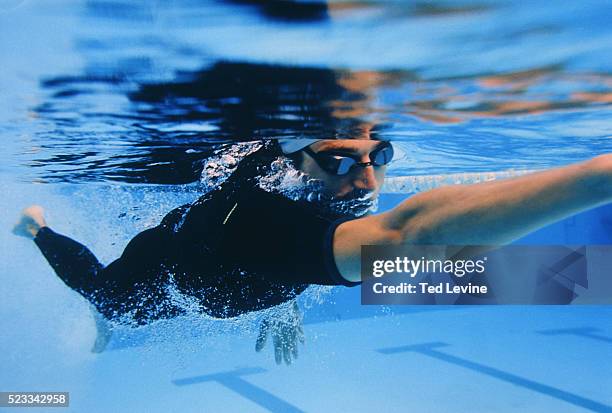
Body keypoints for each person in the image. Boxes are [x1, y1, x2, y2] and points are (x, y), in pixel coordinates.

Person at [13, 138, 612, 358]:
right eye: (339, 160)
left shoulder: (305, 212)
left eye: (380, 156)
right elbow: (410, 242)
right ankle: (35, 227)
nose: (367, 179)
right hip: (156, 281)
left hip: (232, 271)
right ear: (292, 161)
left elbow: (320, 254)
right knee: (109, 300)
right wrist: (599, 177)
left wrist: (282, 302)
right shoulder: (258, 221)